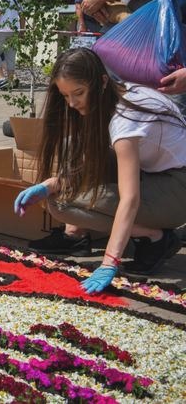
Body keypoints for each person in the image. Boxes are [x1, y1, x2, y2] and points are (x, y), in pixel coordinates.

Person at [14, 49, 185, 294]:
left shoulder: (125, 119)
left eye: (79, 93)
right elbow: (95, 158)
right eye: (65, 96)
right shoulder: (121, 92)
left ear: (102, 81)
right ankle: (133, 234)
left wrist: (109, 262)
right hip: (158, 174)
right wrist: (51, 183)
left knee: (63, 204)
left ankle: (156, 237)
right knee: (67, 163)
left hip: (178, 188)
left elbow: (130, 198)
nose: (72, 103)